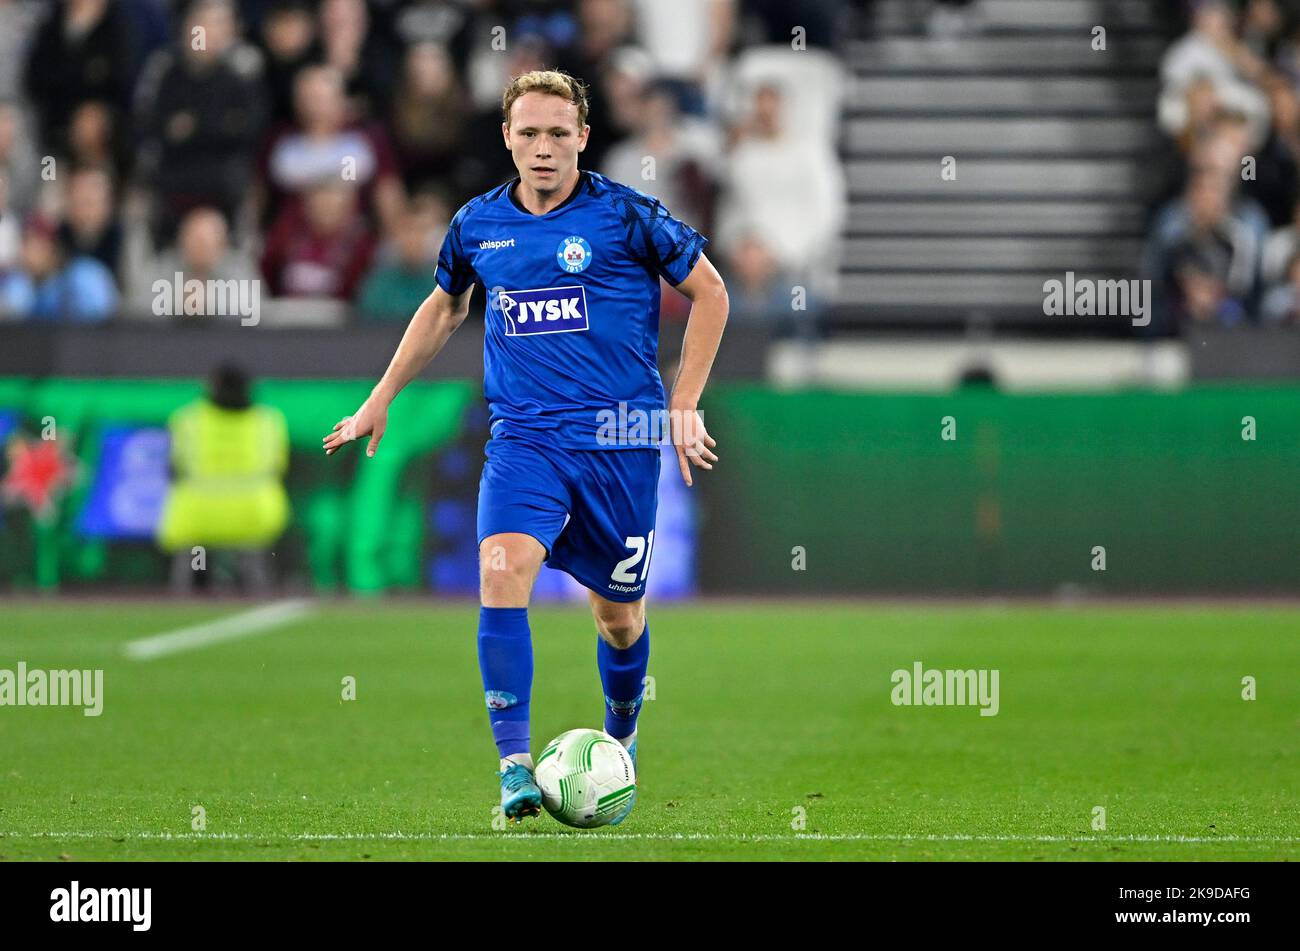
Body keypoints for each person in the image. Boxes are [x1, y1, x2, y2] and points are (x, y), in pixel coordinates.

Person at [322, 70, 728, 824]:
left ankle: (621, 737)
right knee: (501, 565)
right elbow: (444, 306)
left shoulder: (626, 217)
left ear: (583, 137)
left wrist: (682, 402)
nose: (544, 148)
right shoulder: (478, 225)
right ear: (508, 138)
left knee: (617, 616)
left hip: (618, 440)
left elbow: (712, 290)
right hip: (526, 438)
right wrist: (380, 397)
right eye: (529, 133)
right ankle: (513, 764)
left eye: (558, 133)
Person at [158, 364, 290, 594]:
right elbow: (279, 468)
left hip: (197, 519)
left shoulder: (187, 419)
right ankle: (258, 598)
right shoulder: (268, 421)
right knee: (254, 569)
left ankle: (184, 600)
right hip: (253, 518)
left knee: (192, 562)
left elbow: (172, 468)